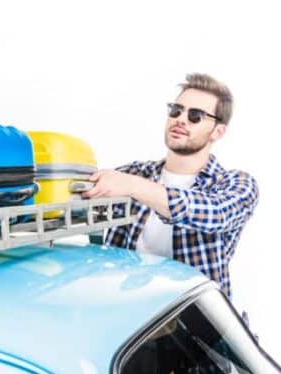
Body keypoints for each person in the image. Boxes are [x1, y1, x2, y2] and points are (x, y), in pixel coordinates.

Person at [83, 73, 259, 301]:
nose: (181, 120)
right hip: (129, 317)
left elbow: (215, 213)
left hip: (192, 324)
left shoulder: (236, 184)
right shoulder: (136, 173)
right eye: (176, 110)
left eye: (195, 116)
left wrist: (133, 187)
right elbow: (79, 197)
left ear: (218, 131)